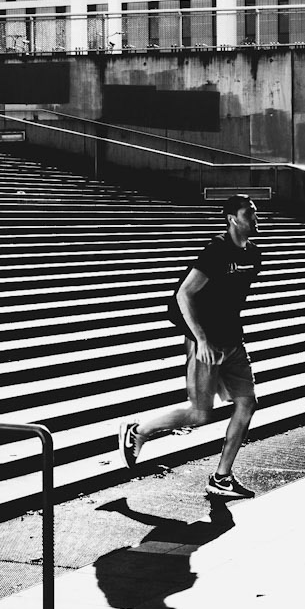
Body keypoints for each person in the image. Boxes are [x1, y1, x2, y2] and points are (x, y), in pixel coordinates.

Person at [119, 194, 262, 499]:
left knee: (247, 404)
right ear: (232, 219)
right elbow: (184, 295)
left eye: (255, 212)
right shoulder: (216, 251)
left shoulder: (254, 255)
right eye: (248, 213)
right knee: (199, 414)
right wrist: (202, 339)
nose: (254, 218)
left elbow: (230, 302)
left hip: (232, 343)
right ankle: (138, 431)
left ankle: (222, 477)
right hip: (205, 344)